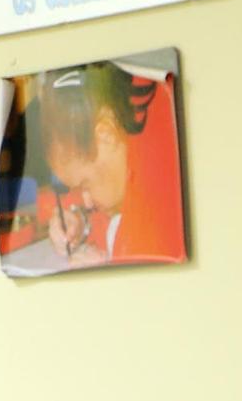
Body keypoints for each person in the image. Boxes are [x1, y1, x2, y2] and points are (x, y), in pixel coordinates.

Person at [38, 59, 184, 267]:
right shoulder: (125, 159)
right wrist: (82, 222)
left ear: (106, 136)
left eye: (85, 185)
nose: (86, 201)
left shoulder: (158, 188)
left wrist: (106, 270)